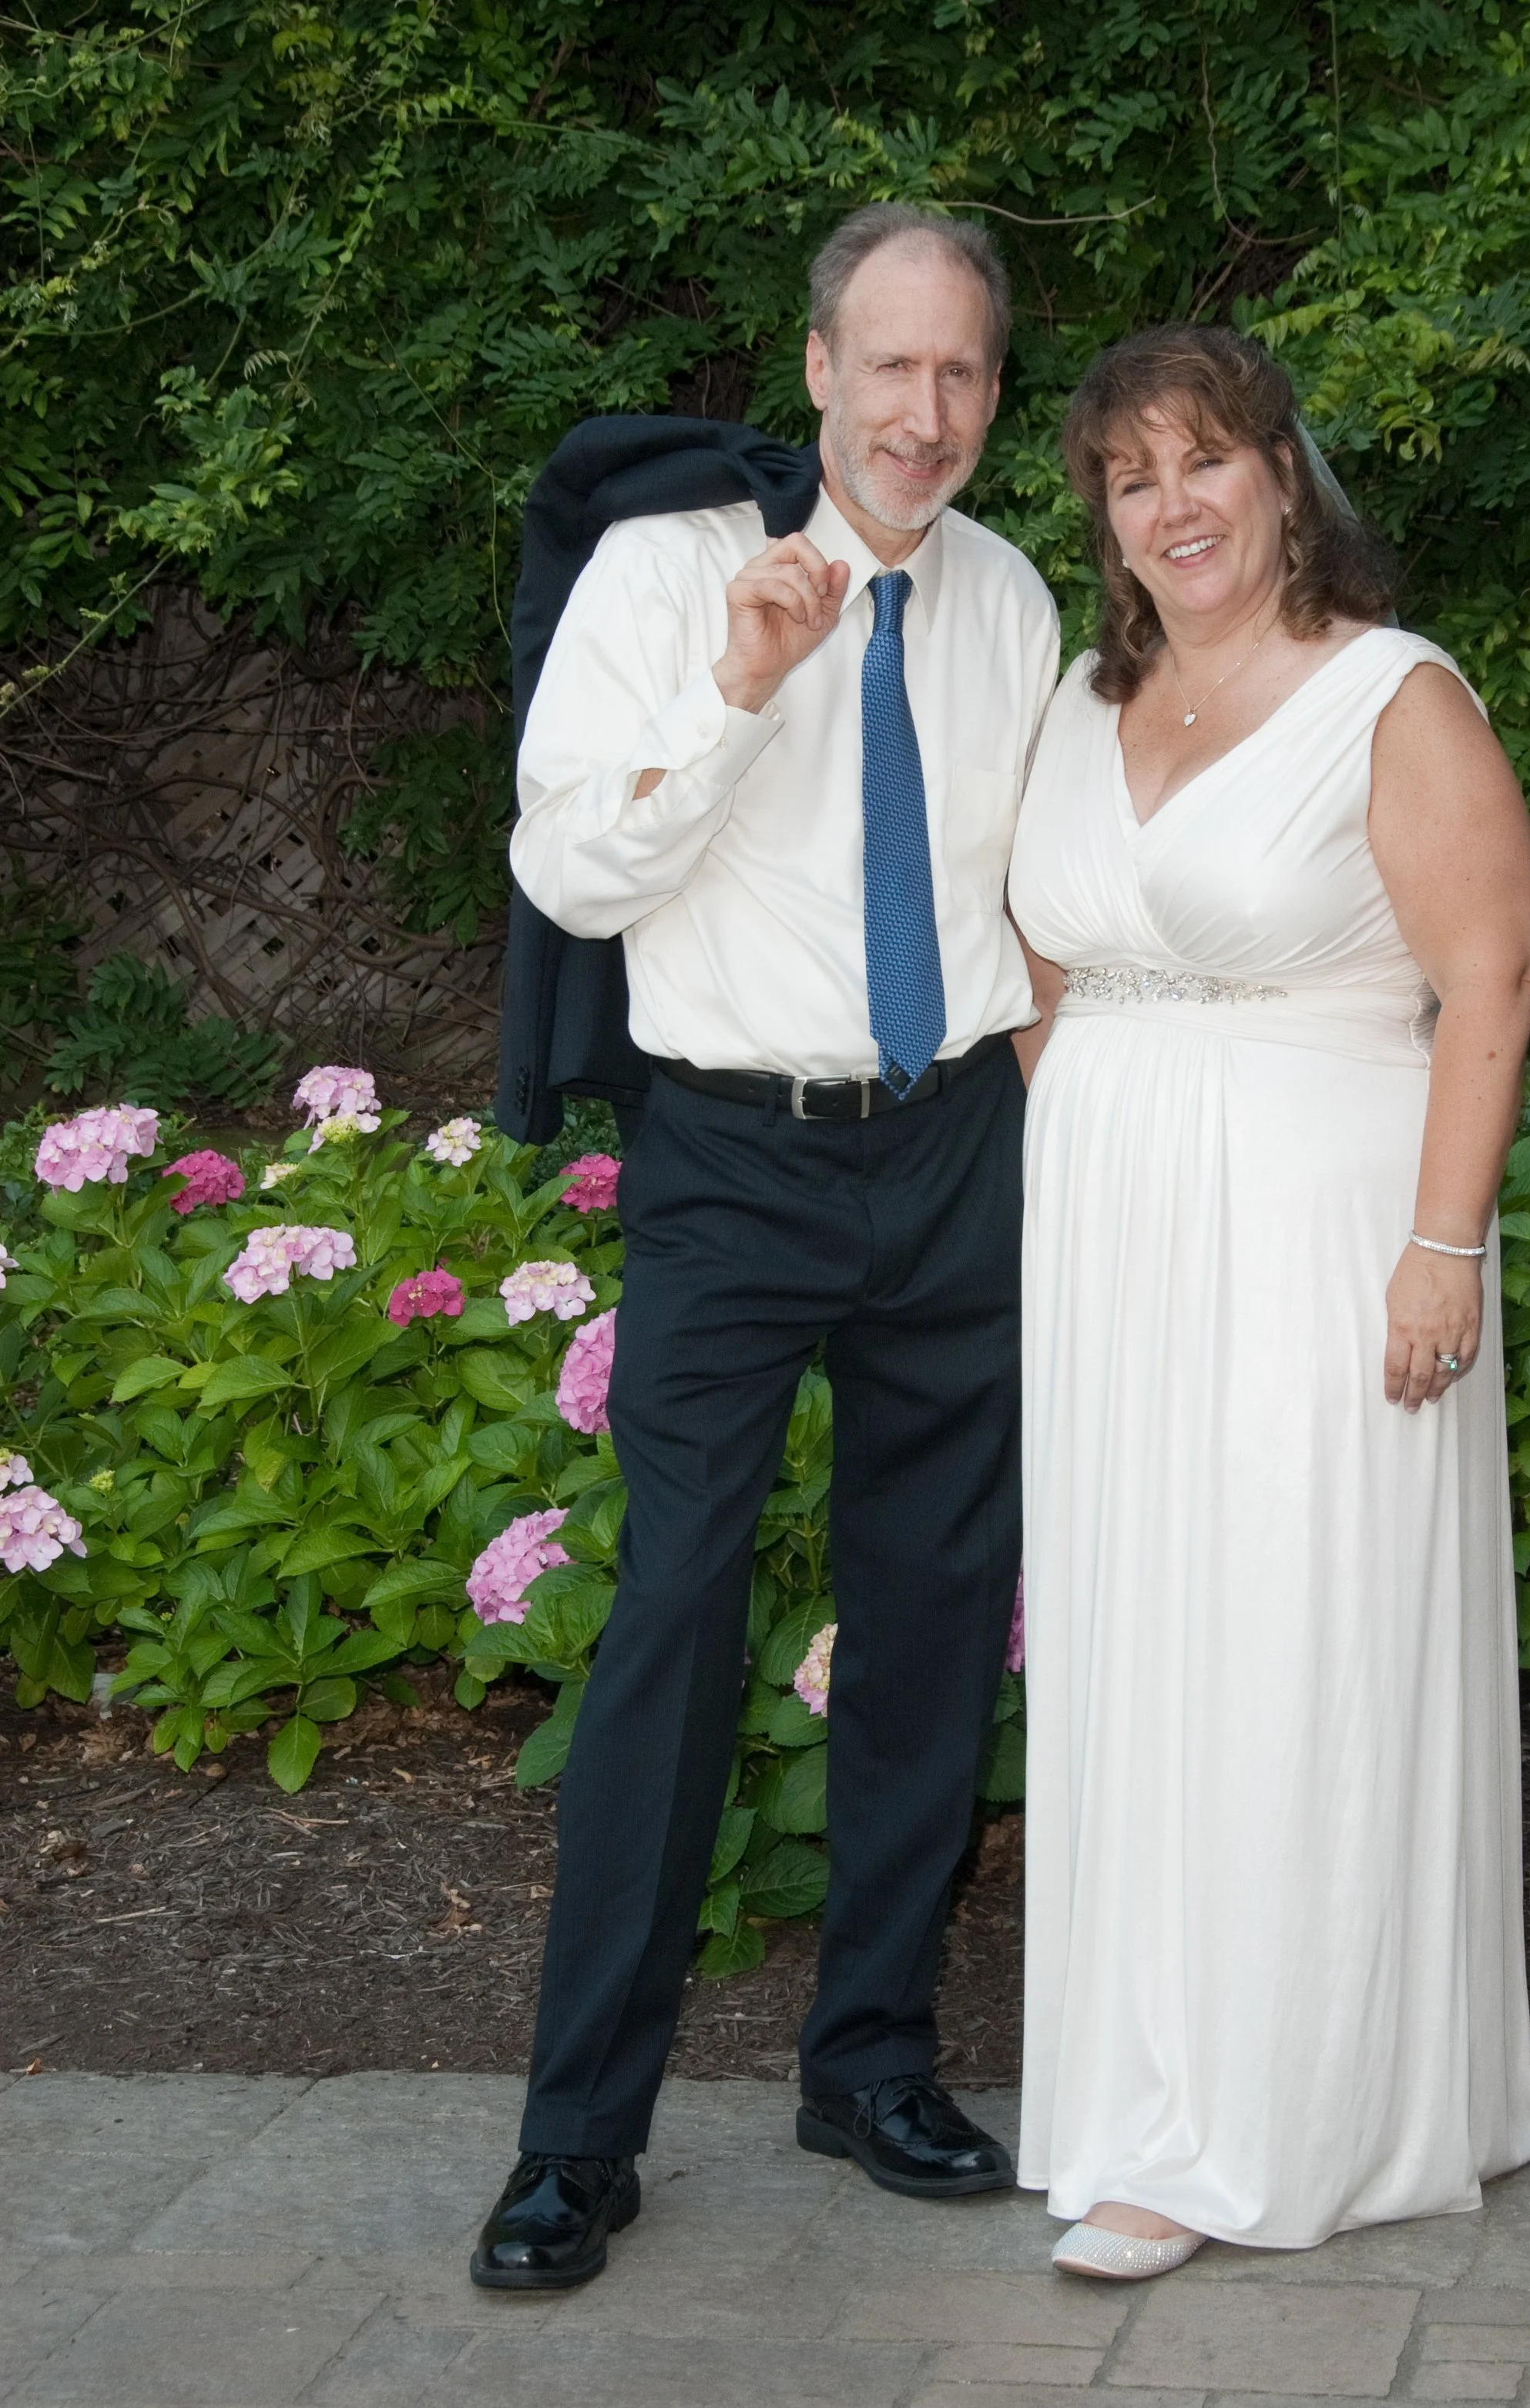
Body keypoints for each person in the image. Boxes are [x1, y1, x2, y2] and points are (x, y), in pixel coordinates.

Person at [471, 203, 1060, 2290]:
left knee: (930, 1610)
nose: (922, 410)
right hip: (732, 1157)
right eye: (887, 365)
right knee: (675, 1625)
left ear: (992, 393)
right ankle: (578, 2139)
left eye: (962, 373)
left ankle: (871, 2054)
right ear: (814, 367)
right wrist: (736, 690)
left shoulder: (1007, 598)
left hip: (955, 1143)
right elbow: (569, 865)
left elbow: (1036, 893)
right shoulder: (660, 574)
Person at [1007, 324, 1530, 2279]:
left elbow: (1486, 976)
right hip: (1112, 1238)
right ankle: (1136, 2083)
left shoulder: (1386, 696)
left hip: (1324, 1225)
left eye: (1204, 462)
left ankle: (1255, 2124)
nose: (1171, 506)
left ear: (1280, 477)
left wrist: (1441, 1245)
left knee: (1284, 1640)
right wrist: (1095, 1141)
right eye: (1130, 478)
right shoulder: (1085, 701)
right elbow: (1046, 967)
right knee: (1138, 1640)